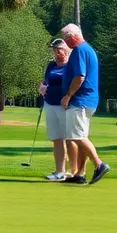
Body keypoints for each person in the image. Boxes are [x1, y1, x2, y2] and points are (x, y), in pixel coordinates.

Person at [58, 23, 111, 185]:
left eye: (66, 39)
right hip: (87, 100)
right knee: (81, 136)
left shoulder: (80, 50)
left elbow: (80, 76)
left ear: (73, 36)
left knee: (77, 136)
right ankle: (79, 174)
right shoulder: (86, 49)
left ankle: (99, 164)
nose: (66, 43)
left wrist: (68, 95)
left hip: (80, 99)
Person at [39, 38, 77, 181]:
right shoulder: (51, 65)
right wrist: (42, 87)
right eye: (54, 49)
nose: (56, 52)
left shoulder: (71, 66)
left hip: (65, 105)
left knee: (69, 139)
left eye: (58, 49)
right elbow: (46, 81)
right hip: (50, 103)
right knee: (56, 138)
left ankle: (73, 171)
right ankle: (59, 172)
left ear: (67, 50)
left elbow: (72, 84)